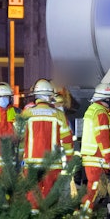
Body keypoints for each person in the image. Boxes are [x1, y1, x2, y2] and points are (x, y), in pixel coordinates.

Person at [19, 78, 75, 208]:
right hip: (52, 165)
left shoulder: (26, 114)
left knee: (32, 196)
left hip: (31, 164)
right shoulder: (58, 115)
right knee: (51, 197)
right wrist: (69, 159)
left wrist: (20, 160)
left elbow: (20, 141)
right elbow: (67, 141)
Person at [78, 82, 110, 219]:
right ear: (106, 99)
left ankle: (87, 218)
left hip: (93, 158)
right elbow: (103, 138)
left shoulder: (95, 110)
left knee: (97, 190)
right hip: (98, 159)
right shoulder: (101, 113)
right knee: (94, 191)